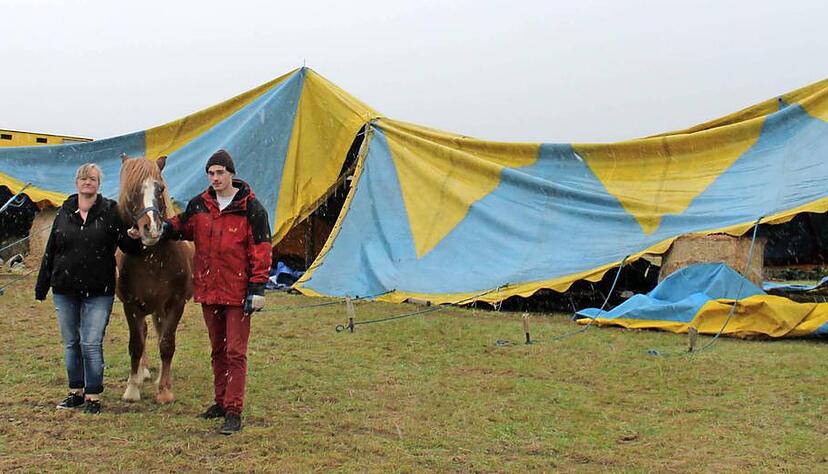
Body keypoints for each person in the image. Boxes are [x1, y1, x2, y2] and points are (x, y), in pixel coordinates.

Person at [165, 149, 271, 435]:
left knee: (236, 352)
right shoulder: (199, 205)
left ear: (231, 173)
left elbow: (260, 250)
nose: (215, 178)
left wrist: (257, 286)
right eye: (211, 173)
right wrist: (160, 228)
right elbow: (181, 225)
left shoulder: (252, 208)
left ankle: (234, 411)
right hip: (209, 289)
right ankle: (220, 402)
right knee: (217, 350)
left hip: (238, 292)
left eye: (220, 173)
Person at [35, 163, 141, 414]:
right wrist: (42, 285)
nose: (87, 182)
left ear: (98, 183)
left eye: (92, 178)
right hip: (65, 288)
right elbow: (52, 249)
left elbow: (127, 246)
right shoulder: (64, 211)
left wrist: (134, 237)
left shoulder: (111, 211)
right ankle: (75, 392)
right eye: (83, 178)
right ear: (77, 183)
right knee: (71, 342)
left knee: (91, 343)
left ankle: (93, 396)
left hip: (98, 290)